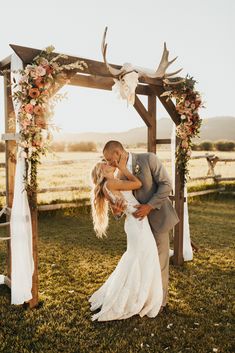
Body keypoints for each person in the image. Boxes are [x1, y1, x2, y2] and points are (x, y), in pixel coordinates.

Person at [102, 141, 179, 313]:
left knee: (160, 261)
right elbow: (117, 209)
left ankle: (160, 302)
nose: (108, 163)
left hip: (158, 217)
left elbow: (166, 185)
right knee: (143, 262)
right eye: (105, 161)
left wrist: (149, 206)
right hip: (137, 225)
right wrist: (117, 212)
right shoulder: (115, 175)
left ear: (118, 152)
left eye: (109, 159)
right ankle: (143, 298)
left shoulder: (148, 159)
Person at [89, 153, 163, 321]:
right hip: (137, 223)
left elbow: (117, 210)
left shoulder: (106, 186)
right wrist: (123, 168)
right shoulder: (112, 182)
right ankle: (135, 299)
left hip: (134, 222)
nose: (108, 164)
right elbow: (138, 183)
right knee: (144, 257)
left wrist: (119, 208)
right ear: (102, 172)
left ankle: (134, 296)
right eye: (104, 165)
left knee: (137, 258)